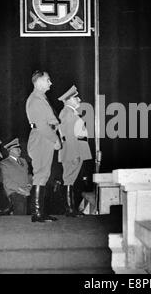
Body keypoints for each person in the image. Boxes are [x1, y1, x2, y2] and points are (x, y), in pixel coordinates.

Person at [26, 70, 60, 223]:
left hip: (43, 138)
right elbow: (42, 126)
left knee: (43, 174)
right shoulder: (36, 100)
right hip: (42, 138)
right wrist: (55, 140)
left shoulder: (40, 98)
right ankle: (38, 213)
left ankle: (40, 212)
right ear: (38, 82)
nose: (50, 83)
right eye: (48, 80)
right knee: (41, 174)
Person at [58, 85, 92, 217]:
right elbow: (68, 136)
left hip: (77, 149)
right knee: (69, 179)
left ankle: (71, 208)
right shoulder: (66, 113)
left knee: (71, 179)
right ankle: (70, 209)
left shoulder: (71, 112)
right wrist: (75, 153)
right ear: (68, 100)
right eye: (75, 97)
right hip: (73, 150)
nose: (79, 99)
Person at [0, 138, 31, 215]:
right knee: (20, 214)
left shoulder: (23, 161)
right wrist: (22, 190)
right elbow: (7, 182)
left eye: (19, 149)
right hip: (14, 192)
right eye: (17, 149)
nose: (19, 151)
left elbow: (29, 176)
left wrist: (29, 187)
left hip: (26, 191)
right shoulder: (4, 163)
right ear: (10, 150)